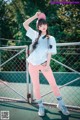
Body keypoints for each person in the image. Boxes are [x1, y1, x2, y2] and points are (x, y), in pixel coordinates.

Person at [23, 12, 70, 116]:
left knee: (53, 84)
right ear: (38, 27)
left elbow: (49, 52)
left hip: (44, 64)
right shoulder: (35, 35)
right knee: (36, 86)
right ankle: (41, 106)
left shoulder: (51, 38)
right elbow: (25, 24)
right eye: (40, 25)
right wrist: (35, 16)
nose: (43, 26)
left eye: (44, 24)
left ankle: (61, 104)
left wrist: (48, 65)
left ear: (47, 25)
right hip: (32, 65)